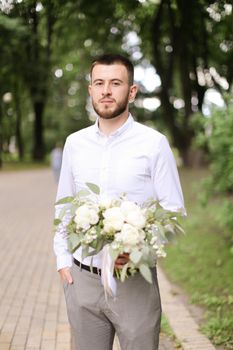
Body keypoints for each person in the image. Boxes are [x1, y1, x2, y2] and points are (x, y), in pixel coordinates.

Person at [53, 53, 185, 350]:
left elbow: (174, 213)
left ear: (132, 91)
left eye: (115, 83)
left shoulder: (153, 144)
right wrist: (63, 262)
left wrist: (136, 248)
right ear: (90, 90)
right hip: (82, 281)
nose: (106, 91)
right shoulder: (75, 144)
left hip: (133, 280)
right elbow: (63, 205)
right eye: (99, 83)